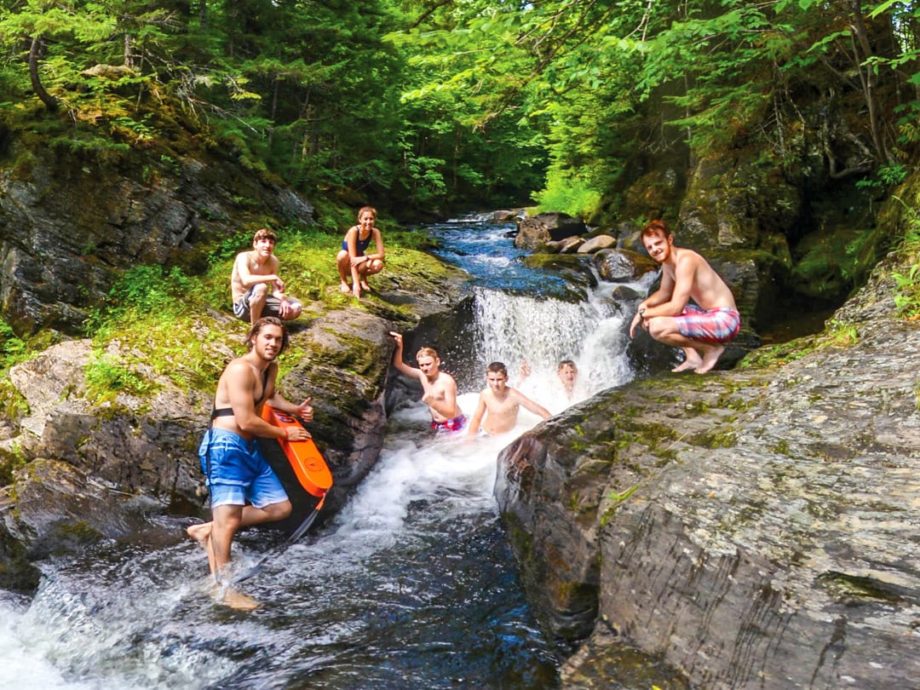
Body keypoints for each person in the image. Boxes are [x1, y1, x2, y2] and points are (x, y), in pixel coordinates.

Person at [187, 317, 314, 608]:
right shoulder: (240, 369)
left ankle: (208, 529)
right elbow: (246, 419)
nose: (272, 344)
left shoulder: (270, 369)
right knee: (229, 521)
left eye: (278, 340)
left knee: (279, 508)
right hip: (225, 448)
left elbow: (268, 398)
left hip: (249, 447)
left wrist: (295, 410)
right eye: (267, 337)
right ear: (254, 337)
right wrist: (285, 433)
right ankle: (224, 589)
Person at [628, 220, 740, 374]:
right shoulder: (668, 264)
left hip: (725, 320)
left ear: (670, 240)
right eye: (650, 247)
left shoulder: (686, 260)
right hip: (709, 316)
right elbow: (663, 293)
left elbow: (676, 307)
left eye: (658, 243)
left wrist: (643, 314)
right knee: (652, 315)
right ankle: (693, 357)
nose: (655, 249)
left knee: (656, 326)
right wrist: (643, 306)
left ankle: (711, 349)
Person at [389, 332, 465, 431]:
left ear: (437, 362)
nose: (425, 368)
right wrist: (400, 346)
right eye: (422, 365)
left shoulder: (446, 381)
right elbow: (398, 365)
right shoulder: (422, 375)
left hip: (453, 423)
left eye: (428, 364)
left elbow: (451, 412)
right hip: (436, 424)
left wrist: (432, 402)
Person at [231, 228, 303, 325]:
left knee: (296, 307)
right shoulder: (244, 257)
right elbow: (246, 280)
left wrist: (283, 299)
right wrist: (272, 277)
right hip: (242, 307)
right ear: (255, 244)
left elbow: (275, 291)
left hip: (262, 303)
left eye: (271, 242)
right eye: (263, 242)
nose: (267, 245)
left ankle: (266, 320)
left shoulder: (274, 261)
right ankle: (255, 328)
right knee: (262, 287)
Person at [467, 362, 551, 437]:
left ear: (506, 379)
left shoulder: (513, 395)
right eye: (492, 380)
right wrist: (470, 438)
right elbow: (477, 418)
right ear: (487, 379)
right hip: (484, 433)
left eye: (499, 379)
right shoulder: (485, 394)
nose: (495, 383)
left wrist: (553, 426)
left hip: (503, 438)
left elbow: (539, 410)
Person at [336, 206, 385, 299]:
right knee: (342, 255)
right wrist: (355, 284)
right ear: (359, 220)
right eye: (365, 219)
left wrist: (365, 258)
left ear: (374, 220)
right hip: (347, 262)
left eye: (371, 219)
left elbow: (381, 254)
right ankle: (344, 281)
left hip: (360, 261)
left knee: (378, 264)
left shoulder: (375, 232)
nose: (368, 222)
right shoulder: (354, 231)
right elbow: (353, 260)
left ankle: (363, 278)